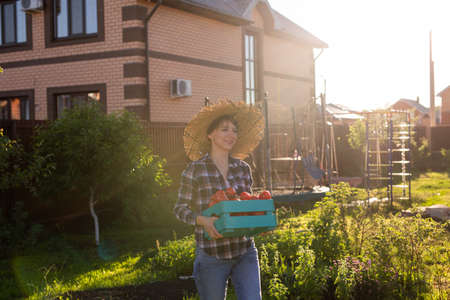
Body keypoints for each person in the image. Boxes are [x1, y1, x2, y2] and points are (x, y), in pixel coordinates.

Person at [174, 100, 265, 300]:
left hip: (244, 251)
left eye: (234, 130)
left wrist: (258, 221)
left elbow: (245, 207)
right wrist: (203, 220)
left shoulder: (243, 168)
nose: (231, 134)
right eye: (224, 129)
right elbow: (180, 209)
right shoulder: (195, 169)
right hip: (212, 255)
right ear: (210, 134)